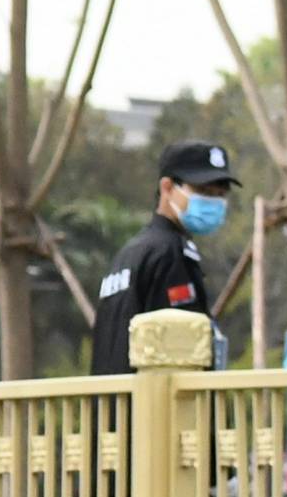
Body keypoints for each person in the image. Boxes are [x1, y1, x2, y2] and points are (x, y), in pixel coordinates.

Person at [93, 141, 238, 373]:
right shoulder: (170, 254)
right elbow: (181, 347)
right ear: (167, 187)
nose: (213, 202)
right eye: (203, 191)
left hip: (111, 404)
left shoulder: (130, 253)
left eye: (220, 194)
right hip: (154, 404)